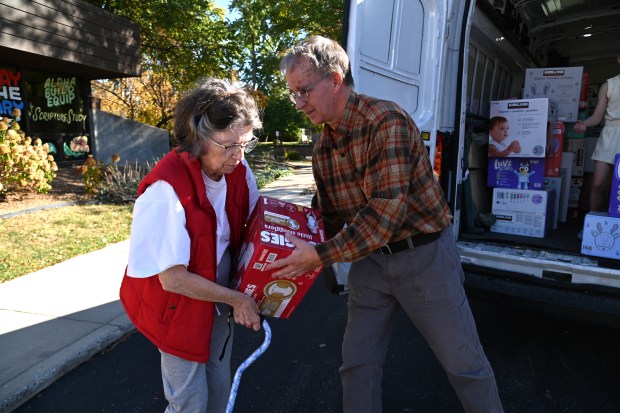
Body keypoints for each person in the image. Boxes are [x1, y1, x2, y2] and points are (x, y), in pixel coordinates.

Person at [270, 35, 503, 413]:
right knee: (357, 364)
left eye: (304, 91)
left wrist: (318, 256)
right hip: (370, 263)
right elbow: (327, 215)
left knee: (464, 364)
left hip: (424, 258)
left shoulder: (385, 121)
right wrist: (282, 242)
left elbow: (384, 216)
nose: (298, 103)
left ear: (335, 77)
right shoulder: (322, 147)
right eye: (293, 94)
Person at [119, 78, 262, 413]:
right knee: (189, 402)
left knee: (218, 389)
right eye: (228, 146)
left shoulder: (237, 168)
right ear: (198, 139)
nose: (238, 156)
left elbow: (260, 222)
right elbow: (173, 279)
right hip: (176, 301)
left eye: (245, 143)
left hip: (217, 288)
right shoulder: (165, 190)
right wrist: (236, 298)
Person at [574, 51, 620, 214]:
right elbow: (597, 116)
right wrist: (585, 123)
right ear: (619, 59)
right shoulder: (608, 85)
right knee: (598, 183)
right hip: (610, 134)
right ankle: (592, 220)